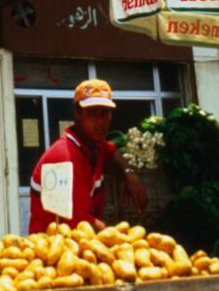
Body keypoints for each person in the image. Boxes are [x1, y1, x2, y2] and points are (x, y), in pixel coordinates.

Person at [28, 78, 148, 233]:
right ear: (77, 114)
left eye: (105, 113)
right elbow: (81, 221)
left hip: (79, 241)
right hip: (50, 247)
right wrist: (121, 240)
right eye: (92, 113)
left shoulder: (93, 143)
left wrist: (129, 174)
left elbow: (110, 150)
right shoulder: (66, 157)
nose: (100, 121)